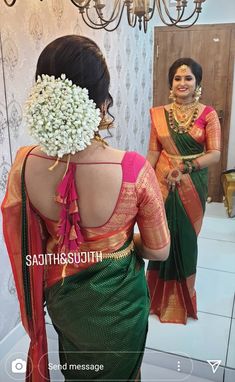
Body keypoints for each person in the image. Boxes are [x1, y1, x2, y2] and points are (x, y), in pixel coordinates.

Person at [1, 35, 170, 382]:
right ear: (102, 101)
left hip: (65, 299)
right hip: (120, 304)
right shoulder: (135, 170)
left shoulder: (25, 162)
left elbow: (26, 233)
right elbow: (159, 250)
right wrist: (122, 246)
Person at [146, 58, 221, 325]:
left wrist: (187, 166)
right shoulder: (158, 114)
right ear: (171, 83)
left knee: (186, 238)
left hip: (192, 183)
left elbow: (215, 154)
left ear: (197, 83)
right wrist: (145, 179)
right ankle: (155, 297)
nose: (182, 83)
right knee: (161, 236)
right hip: (163, 180)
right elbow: (154, 151)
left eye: (188, 78)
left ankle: (182, 299)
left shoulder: (208, 114)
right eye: (177, 78)